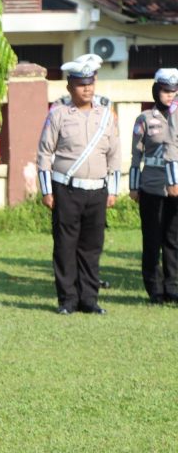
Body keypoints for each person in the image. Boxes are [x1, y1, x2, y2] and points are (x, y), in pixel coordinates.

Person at [37, 53, 120, 315]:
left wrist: (114, 190)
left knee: (91, 247)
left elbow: (115, 154)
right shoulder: (59, 113)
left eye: (91, 83)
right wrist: (47, 190)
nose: (87, 89)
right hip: (67, 189)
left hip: (97, 190)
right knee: (65, 246)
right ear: (70, 87)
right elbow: (44, 153)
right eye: (81, 84)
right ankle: (68, 300)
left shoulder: (106, 114)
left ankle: (89, 299)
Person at [133, 68, 178, 303]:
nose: (170, 95)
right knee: (152, 240)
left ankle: (172, 287)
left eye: (174, 91)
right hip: (151, 187)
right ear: (156, 91)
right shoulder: (145, 119)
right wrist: (133, 187)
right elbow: (135, 156)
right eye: (165, 90)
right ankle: (155, 289)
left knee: (173, 240)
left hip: (176, 190)